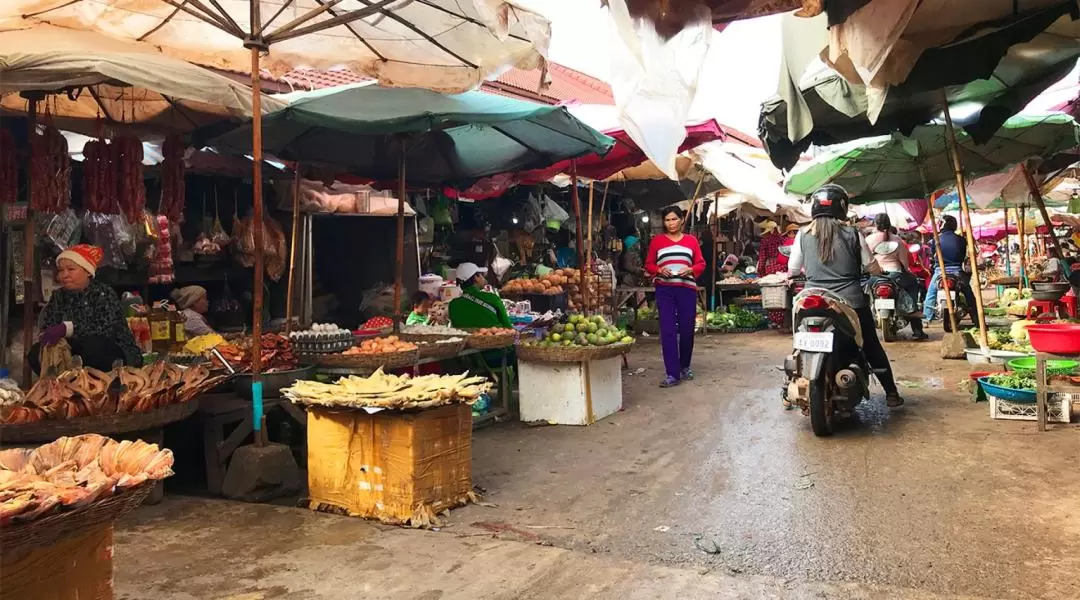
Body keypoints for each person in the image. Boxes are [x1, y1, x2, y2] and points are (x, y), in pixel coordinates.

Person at [787, 185, 904, 408]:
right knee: (870, 344)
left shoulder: (802, 234)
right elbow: (870, 265)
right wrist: (878, 272)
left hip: (811, 298)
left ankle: (791, 382)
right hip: (850, 300)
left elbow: (793, 269)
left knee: (799, 340)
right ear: (842, 207)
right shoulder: (852, 234)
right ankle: (891, 393)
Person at [30, 244, 143, 373]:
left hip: (110, 349)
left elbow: (103, 329)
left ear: (88, 272)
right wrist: (48, 335)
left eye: (71, 269)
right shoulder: (58, 296)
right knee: (35, 353)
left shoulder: (103, 293)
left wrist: (67, 328)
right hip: (73, 349)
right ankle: (62, 385)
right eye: (61, 270)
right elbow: (49, 324)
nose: (64, 275)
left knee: (92, 346)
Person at [644, 206, 706, 388]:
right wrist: (658, 269)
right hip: (665, 289)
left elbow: (701, 263)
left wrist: (691, 269)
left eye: (674, 219)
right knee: (668, 330)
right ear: (664, 222)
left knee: (687, 329)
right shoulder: (657, 241)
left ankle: (684, 366)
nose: (671, 223)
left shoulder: (691, 241)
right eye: (667, 220)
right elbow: (648, 263)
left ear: (681, 220)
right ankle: (672, 373)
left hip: (686, 288)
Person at [865, 214, 927, 340]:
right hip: (896, 275)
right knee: (913, 283)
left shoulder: (869, 240)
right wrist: (907, 271)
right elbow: (904, 262)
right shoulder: (898, 240)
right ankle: (915, 320)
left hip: (874, 277)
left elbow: (865, 261)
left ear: (875, 224)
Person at [922, 215, 978, 323]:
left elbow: (933, 255)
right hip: (957, 271)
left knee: (931, 294)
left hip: (940, 271)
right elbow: (962, 257)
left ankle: (926, 319)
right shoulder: (961, 240)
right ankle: (976, 319)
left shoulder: (935, 240)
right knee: (969, 294)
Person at [448, 262, 513, 329]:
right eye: (481, 275)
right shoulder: (492, 298)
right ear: (476, 277)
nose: (484, 278)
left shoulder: (452, 305)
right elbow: (507, 326)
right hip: (493, 338)